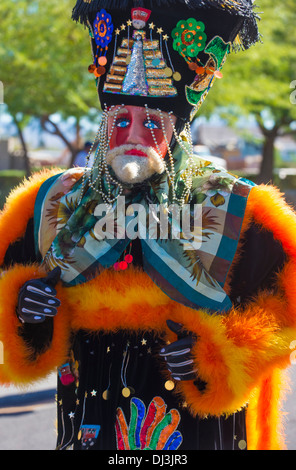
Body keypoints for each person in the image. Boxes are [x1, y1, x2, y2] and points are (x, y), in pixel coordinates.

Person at [0, 0, 296, 451]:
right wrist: (25, 308)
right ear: (103, 127)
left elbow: (283, 313)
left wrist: (215, 357)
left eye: (150, 122)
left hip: (192, 431)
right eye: (120, 120)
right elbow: (19, 320)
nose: (133, 135)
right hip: (87, 422)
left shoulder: (237, 206)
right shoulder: (52, 203)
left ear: (176, 128)